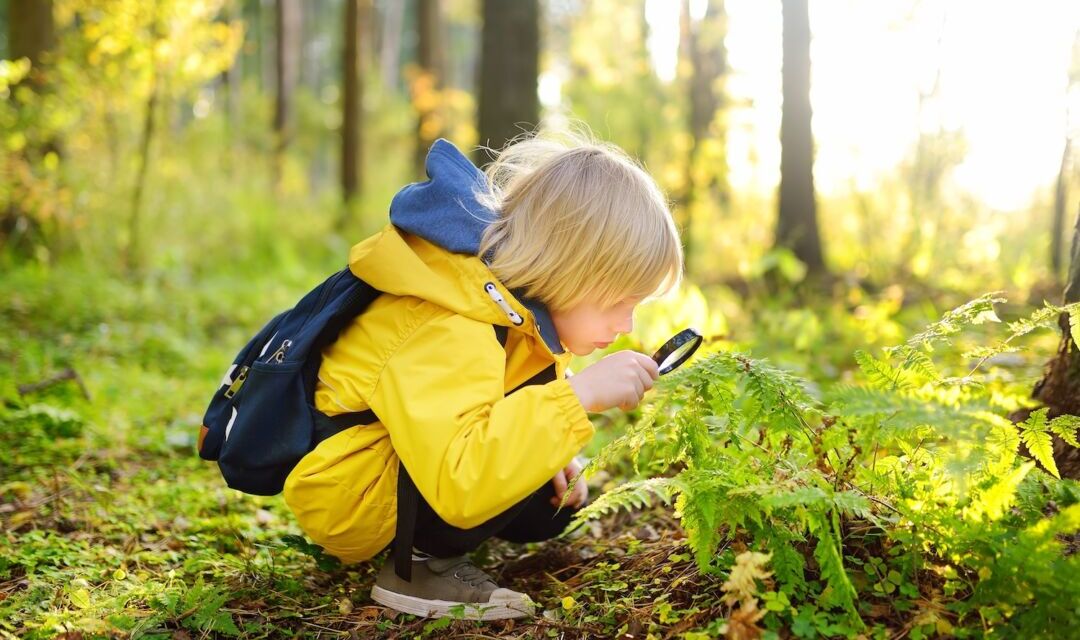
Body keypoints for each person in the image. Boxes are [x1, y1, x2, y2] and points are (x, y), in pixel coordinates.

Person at [283, 128, 683, 620]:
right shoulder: (451, 320)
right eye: (617, 302)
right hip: (350, 493)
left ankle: (434, 544)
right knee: (509, 471)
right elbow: (460, 472)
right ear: (567, 268)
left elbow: (495, 406)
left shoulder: (517, 315)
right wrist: (574, 399)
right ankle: (418, 570)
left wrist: (551, 448)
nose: (625, 326)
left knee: (548, 502)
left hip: (416, 463)